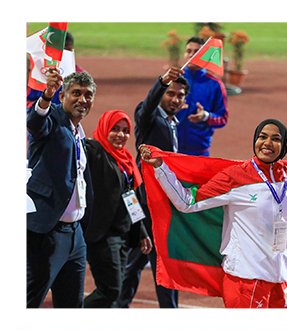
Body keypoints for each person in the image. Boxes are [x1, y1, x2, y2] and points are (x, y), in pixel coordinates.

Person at [143, 121, 287, 308]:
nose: (267, 143)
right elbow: (187, 202)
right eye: (262, 136)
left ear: (283, 146)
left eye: (275, 138)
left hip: (280, 280)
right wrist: (160, 167)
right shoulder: (235, 177)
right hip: (245, 280)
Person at [27, 66, 93, 308]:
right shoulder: (53, 119)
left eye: (88, 95)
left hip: (75, 236)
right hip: (47, 232)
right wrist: (46, 95)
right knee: (29, 300)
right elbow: (35, 123)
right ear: (62, 96)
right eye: (76, 93)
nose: (82, 100)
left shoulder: (78, 132)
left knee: (72, 306)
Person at [79, 109, 151, 308]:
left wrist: (142, 231)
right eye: (115, 129)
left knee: (113, 292)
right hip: (102, 236)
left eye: (126, 131)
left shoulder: (126, 160)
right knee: (110, 291)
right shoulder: (94, 151)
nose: (121, 135)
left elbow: (131, 198)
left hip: (122, 235)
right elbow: (76, 140)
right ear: (104, 129)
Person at [131, 68, 188, 308]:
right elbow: (147, 107)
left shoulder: (173, 123)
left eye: (180, 95)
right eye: (170, 94)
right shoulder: (150, 118)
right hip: (145, 200)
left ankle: (115, 303)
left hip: (160, 200)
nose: (175, 99)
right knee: (153, 258)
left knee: (142, 259)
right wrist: (161, 83)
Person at [174, 37, 228, 156]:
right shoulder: (172, 80)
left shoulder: (215, 85)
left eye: (197, 52)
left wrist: (205, 116)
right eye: (188, 51)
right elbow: (154, 112)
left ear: (205, 56)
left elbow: (223, 118)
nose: (192, 55)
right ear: (184, 54)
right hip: (170, 150)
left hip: (199, 152)